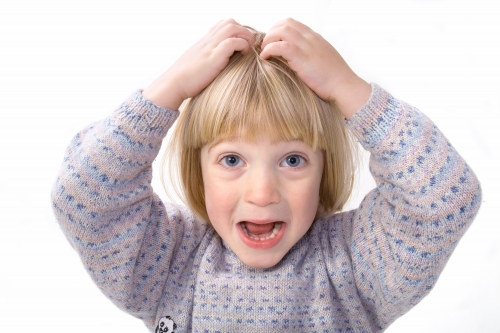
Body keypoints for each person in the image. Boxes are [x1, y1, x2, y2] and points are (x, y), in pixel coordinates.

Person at [51, 18, 482, 332]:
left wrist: (348, 88)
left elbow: (445, 200)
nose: (261, 193)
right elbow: (84, 198)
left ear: (323, 170)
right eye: (232, 160)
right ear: (197, 170)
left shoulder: (354, 267)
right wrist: (171, 87)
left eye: (292, 160)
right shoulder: (168, 264)